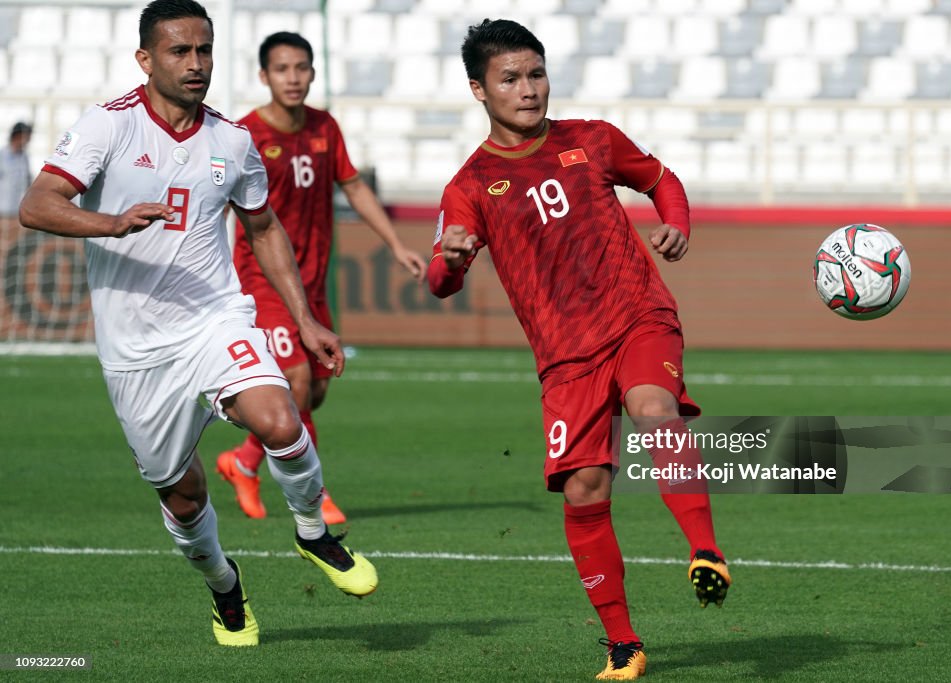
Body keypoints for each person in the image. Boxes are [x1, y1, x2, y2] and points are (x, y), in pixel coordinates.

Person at [18, 0, 377, 648]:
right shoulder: (108, 127)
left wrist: (305, 318)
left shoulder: (231, 140)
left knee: (279, 417)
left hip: (215, 317)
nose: (195, 64)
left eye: (204, 50)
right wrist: (111, 221)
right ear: (145, 59)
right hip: (136, 353)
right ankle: (224, 586)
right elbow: (37, 203)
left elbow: (263, 227)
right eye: (180, 51)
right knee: (182, 495)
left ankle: (313, 531)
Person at [429, 19, 731, 680]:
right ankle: (623, 643)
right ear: (479, 89)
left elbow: (663, 179)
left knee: (654, 407)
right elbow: (439, 280)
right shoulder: (471, 185)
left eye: (536, 74)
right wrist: (450, 261)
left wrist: (675, 222)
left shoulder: (591, 140)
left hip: (637, 317)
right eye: (511, 78)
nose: (529, 89)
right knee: (584, 491)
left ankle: (705, 549)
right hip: (566, 357)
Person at [216, 31, 426, 524]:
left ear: (312, 72)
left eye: (302, 68)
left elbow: (352, 186)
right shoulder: (245, 135)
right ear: (264, 76)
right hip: (262, 282)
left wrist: (395, 244)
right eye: (282, 69)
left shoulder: (325, 127)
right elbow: (220, 205)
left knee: (317, 389)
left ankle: (244, 461)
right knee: (295, 378)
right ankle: (315, 493)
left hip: (311, 283)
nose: (294, 78)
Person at [0, 121, 33, 215]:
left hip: (17, 210)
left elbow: (27, 181)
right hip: (2, 210)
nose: (28, 141)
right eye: (26, 137)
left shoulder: (24, 157)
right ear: (17, 136)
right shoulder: (2, 155)